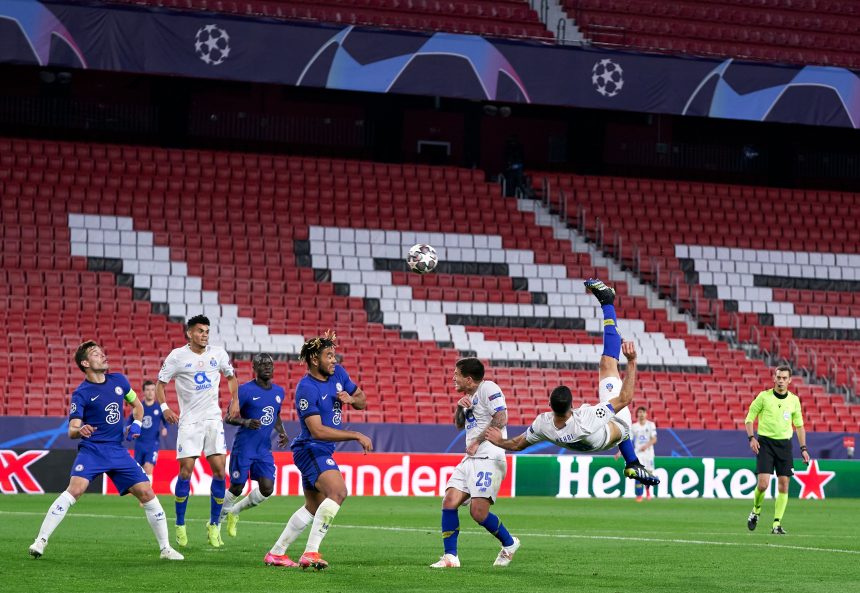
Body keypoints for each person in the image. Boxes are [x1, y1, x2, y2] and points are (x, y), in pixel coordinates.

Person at [486, 279, 658, 488]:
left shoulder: (543, 424)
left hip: (594, 440)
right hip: (618, 427)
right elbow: (625, 399)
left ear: (549, 406)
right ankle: (607, 301)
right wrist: (632, 361)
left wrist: (499, 441)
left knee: (606, 365)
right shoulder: (585, 418)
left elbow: (517, 444)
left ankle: (632, 462)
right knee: (608, 363)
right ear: (572, 406)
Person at [28, 341, 183, 560]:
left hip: (117, 450)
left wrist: (137, 424)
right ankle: (40, 540)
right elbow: (72, 430)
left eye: (102, 352)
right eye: (95, 354)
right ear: (85, 363)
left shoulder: (119, 381)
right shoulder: (81, 394)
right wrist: (80, 429)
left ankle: (165, 548)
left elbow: (137, 406)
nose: (102, 355)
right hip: (92, 450)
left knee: (147, 493)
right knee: (76, 489)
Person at [264, 331, 372, 570]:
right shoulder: (306, 388)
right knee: (339, 491)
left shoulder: (339, 374)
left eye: (334, 355)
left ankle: (277, 553)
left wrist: (352, 401)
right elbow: (317, 431)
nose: (334, 360)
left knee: (313, 507)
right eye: (329, 355)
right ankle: (311, 552)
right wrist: (355, 434)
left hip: (321, 450)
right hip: (311, 448)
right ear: (315, 359)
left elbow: (362, 399)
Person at [156, 314, 239, 548]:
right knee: (186, 472)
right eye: (200, 331)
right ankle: (180, 524)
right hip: (190, 421)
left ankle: (214, 524)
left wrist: (235, 400)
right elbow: (161, 385)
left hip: (213, 419)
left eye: (207, 331)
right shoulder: (177, 357)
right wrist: (164, 408)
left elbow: (231, 377)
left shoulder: (218, 354)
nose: (204, 335)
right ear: (189, 333)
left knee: (221, 472)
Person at [430, 357, 520, 569]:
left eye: (456, 374)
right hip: (472, 457)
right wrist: (460, 408)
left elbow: (501, 417)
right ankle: (450, 557)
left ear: (469, 379)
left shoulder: (488, 388)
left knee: (478, 513)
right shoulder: (468, 396)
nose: (453, 378)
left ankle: (510, 543)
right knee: (449, 501)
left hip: (489, 457)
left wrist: (478, 442)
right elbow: (459, 425)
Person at [220, 353, 289, 537]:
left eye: (270, 364)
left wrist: (282, 431)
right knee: (237, 487)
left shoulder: (279, 392)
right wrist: (245, 422)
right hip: (244, 447)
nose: (267, 367)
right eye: (262, 364)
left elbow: (275, 414)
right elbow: (228, 417)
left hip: (263, 449)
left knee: (267, 488)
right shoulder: (244, 391)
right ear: (254, 368)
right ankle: (215, 522)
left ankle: (234, 512)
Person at [745, 365, 810, 535]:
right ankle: (756, 511)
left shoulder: (794, 400)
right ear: (774, 378)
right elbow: (749, 418)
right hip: (765, 443)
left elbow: (800, 426)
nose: (781, 381)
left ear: (789, 380)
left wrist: (803, 448)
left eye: (784, 378)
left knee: (784, 485)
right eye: (778, 377)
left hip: (785, 445)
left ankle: (776, 524)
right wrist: (752, 438)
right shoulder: (764, 397)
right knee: (763, 484)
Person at [128, 380, 168, 482]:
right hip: (139, 444)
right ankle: (142, 493)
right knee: (138, 470)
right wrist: (127, 428)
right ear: (143, 392)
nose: (150, 392)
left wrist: (165, 428)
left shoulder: (158, 408)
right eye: (148, 390)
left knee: (148, 467)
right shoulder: (138, 407)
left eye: (152, 390)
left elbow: (166, 421)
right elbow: (129, 421)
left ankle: (149, 494)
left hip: (152, 444)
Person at [630, 406, 658, 501]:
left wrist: (646, 445)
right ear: (637, 414)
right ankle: (639, 495)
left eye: (643, 412)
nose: (641, 414)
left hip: (649, 454)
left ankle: (648, 491)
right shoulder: (634, 427)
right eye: (639, 412)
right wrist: (620, 452)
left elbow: (654, 439)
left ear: (646, 414)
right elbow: (629, 441)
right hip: (638, 454)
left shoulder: (651, 425)